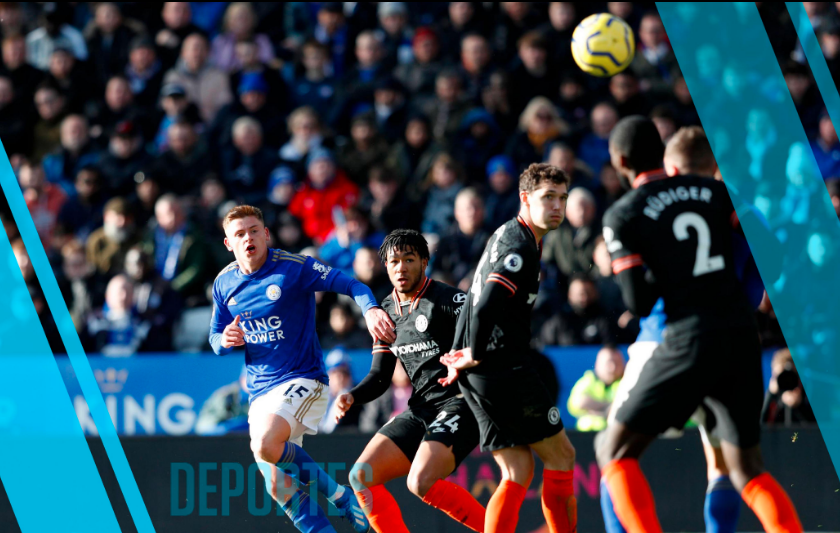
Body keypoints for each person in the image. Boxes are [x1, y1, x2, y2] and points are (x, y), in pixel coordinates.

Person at [597, 117, 800, 533]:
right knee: (737, 469)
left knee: (612, 452)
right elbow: (774, 259)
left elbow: (639, 300)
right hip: (740, 337)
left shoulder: (629, 211)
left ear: (621, 161)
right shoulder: (724, 196)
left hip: (670, 338)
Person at [209, 204, 396, 533]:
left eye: (254, 230)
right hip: (260, 393)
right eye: (239, 234)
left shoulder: (293, 268)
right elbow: (214, 337)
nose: (248, 238)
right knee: (278, 487)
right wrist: (225, 339)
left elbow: (352, 285)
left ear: (266, 234)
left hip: (303, 380)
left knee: (266, 444)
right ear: (229, 243)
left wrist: (370, 310)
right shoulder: (224, 284)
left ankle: (340, 496)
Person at [440, 163, 577, 533]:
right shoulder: (519, 246)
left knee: (517, 470)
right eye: (548, 197)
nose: (557, 206)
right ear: (525, 198)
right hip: (501, 367)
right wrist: (477, 352)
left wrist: (470, 354)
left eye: (562, 198)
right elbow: (485, 305)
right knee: (563, 457)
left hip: (483, 370)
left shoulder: (511, 233)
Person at [333, 229, 485, 533]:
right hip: (422, 409)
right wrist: (352, 396)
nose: (401, 267)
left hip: (462, 403)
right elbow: (379, 377)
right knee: (361, 476)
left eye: (409, 259)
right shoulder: (385, 312)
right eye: (394, 261)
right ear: (385, 267)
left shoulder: (449, 300)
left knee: (420, 481)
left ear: (424, 262)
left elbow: (488, 339)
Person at [567, 345, 625, 432]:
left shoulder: (628, 382)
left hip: (616, 435)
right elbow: (577, 404)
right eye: (608, 363)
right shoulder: (588, 380)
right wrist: (608, 407)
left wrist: (594, 406)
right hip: (584, 436)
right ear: (598, 364)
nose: (612, 368)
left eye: (617, 363)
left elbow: (626, 409)